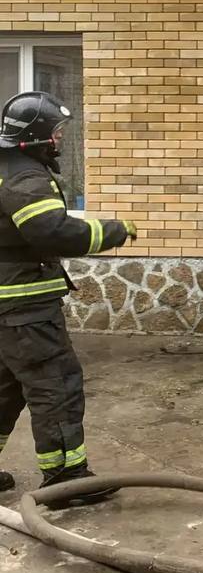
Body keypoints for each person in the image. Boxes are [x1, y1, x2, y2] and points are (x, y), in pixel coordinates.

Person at [0, 91, 136, 502]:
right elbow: (52, 232)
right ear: (38, 136)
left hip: (7, 309)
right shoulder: (26, 178)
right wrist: (112, 231)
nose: (60, 139)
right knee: (54, 385)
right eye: (57, 132)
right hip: (25, 309)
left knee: (5, 388)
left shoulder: (5, 170)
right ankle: (65, 478)